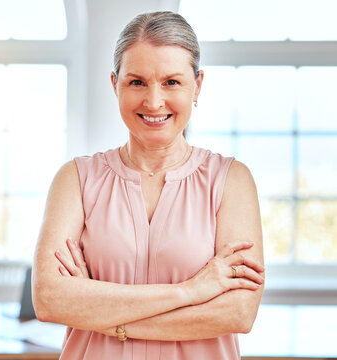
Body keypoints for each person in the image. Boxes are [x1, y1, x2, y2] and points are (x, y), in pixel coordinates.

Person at [32, 11, 264, 360]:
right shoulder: (76, 179)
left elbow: (237, 313)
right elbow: (50, 300)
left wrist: (101, 314)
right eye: (136, 82)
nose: (154, 102)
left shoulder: (232, 180)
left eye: (171, 82)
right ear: (115, 85)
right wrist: (191, 291)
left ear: (197, 85)